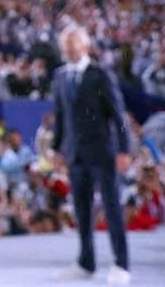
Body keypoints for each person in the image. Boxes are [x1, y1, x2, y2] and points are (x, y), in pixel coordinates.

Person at [52, 24, 131, 285]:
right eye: (64, 43)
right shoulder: (60, 77)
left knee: (111, 209)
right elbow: (60, 117)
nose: (67, 48)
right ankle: (86, 262)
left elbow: (118, 115)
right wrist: (56, 149)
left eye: (72, 43)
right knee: (81, 210)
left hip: (103, 153)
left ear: (85, 45)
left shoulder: (100, 75)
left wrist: (124, 149)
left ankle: (121, 264)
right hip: (75, 155)